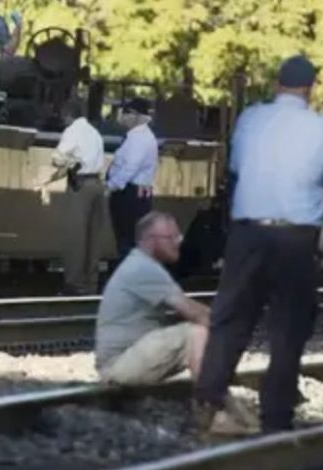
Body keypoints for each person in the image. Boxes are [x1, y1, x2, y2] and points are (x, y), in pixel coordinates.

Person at [193, 55, 323, 436]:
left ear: (277, 83)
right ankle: (276, 418)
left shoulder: (250, 119)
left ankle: (207, 400)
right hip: (296, 238)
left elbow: (239, 167)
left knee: (230, 318)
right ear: (311, 89)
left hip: (248, 233)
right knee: (289, 326)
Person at [94, 212, 210, 385]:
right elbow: (192, 312)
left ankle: (213, 395)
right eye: (171, 237)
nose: (178, 242)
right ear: (150, 240)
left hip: (127, 358)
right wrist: (227, 327)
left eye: (178, 236)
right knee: (197, 334)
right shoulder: (143, 268)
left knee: (198, 332)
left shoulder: (142, 264)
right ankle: (211, 405)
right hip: (118, 365)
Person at [52, 99, 106, 295]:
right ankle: (91, 284)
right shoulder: (95, 132)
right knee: (93, 237)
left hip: (80, 185)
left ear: (67, 115)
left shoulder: (72, 131)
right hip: (98, 185)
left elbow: (57, 157)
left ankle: (74, 284)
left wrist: (68, 162)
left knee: (76, 237)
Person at [106, 97, 159, 262]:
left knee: (128, 241)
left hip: (130, 194)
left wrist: (111, 186)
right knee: (129, 241)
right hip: (133, 193)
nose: (124, 117)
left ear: (137, 116)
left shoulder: (140, 138)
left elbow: (130, 167)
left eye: (127, 113)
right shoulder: (137, 136)